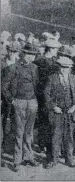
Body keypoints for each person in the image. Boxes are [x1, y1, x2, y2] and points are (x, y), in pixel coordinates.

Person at [1, 43, 40, 172]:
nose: (31, 57)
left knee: (29, 131)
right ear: (23, 54)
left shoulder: (35, 68)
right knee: (19, 131)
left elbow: (37, 85)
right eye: (29, 54)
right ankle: (17, 159)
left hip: (32, 102)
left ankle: (28, 156)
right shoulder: (12, 68)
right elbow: (4, 87)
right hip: (19, 102)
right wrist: (11, 101)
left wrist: (35, 101)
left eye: (33, 55)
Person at [44, 46, 75, 169]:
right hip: (57, 111)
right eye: (61, 67)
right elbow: (46, 94)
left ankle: (69, 158)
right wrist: (53, 106)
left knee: (69, 136)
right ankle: (54, 159)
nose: (63, 70)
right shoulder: (52, 78)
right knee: (55, 135)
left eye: (66, 68)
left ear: (70, 68)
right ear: (58, 66)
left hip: (70, 111)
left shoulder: (73, 78)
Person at [33, 39, 61, 160]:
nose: (57, 51)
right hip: (41, 94)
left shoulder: (53, 60)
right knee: (45, 119)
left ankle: (43, 144)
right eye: (55, 49)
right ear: (50, 49)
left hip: (50, 94)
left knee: (47, 119)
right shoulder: (40, 61)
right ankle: (43, 145)